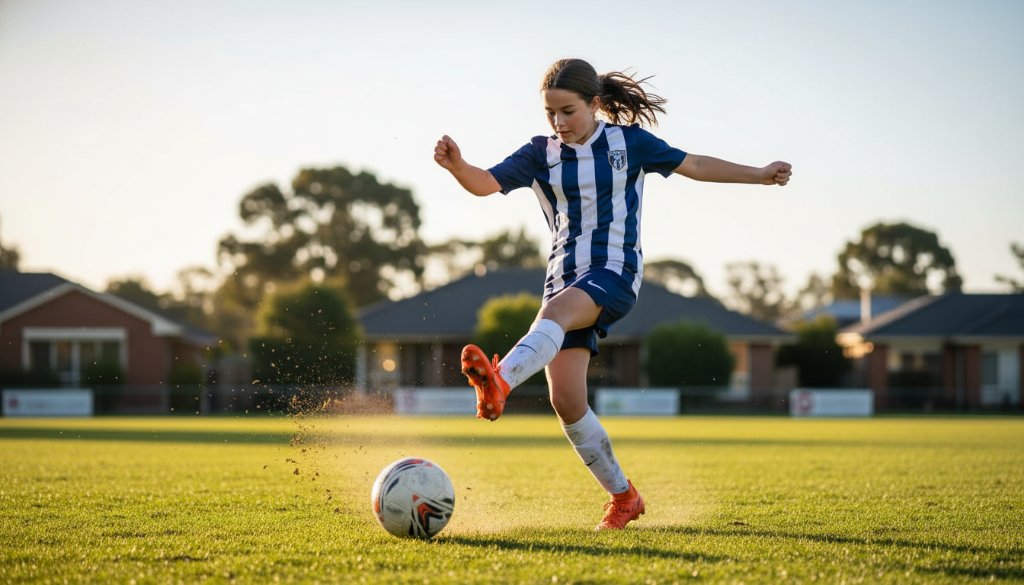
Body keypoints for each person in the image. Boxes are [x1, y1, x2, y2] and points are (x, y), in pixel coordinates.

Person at [433, 58, 792, 530]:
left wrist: (759, 172)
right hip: (563, 277)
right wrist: (458, 166)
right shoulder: (540, 153)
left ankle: (499, 382)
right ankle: (625, 497)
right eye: (551, 114)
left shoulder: (630, 143)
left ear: (595, 104)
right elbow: (485, 184)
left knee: (556, 314)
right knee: (566, 399)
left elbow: (697, 165)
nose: (559, 123)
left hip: (616, 272)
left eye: (568, 111)